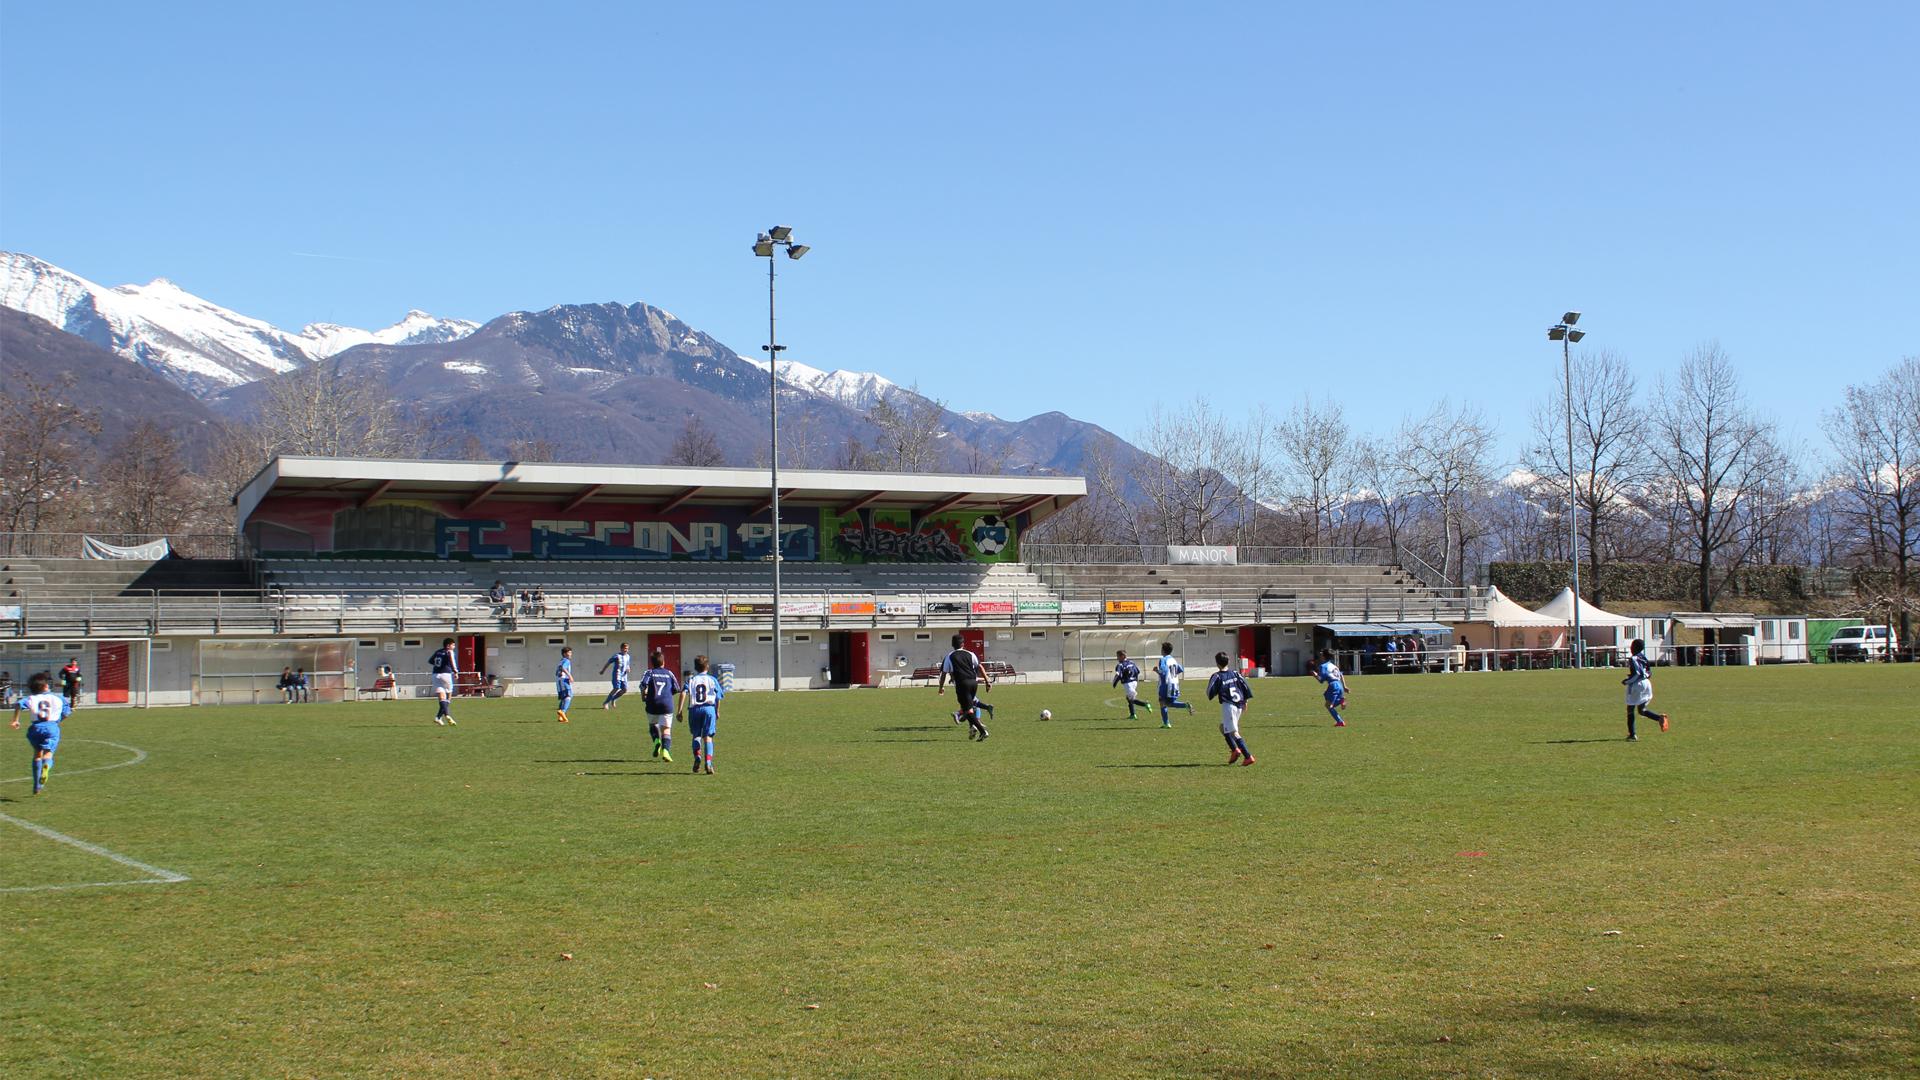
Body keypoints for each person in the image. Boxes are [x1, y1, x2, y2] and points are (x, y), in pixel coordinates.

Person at [11, 672, 69, 794]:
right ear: (46, 686)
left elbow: (18, 705)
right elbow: (67, 712)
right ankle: (46, 766)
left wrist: (15, 720)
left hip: (36, 728)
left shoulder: (31, 698)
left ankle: (37, 786)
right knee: (48, 753)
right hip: (52, 727)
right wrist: (58, 721)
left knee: (37, 754)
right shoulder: (58, 697)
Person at [937, 633, 992, 741]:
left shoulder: (949, 656)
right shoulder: (971, 654)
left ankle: (982, 731)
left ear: (952, 644)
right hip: (974, 683)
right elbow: (980, 666)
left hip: (962, 684)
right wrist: (987, 681)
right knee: (968, 708)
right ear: (963, 644)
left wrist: (941, 687)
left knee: (968, 710)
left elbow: (944, 674)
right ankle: (971, 726)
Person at [1206, 651, 1256, 766]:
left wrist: (1215, 690)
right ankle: (1235, 750)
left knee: (1233, 732)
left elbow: (1209, 693)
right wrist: (1246, 701)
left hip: (1229, 706)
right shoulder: (1235, 673)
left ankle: (1248, 756)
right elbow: (1245, 686)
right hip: (1239, 705)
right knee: (1223, 727)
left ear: (1217, 664)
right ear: (1228, 661)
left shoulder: (1217, 676)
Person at [1622, 638, 1671, 741]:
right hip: (1646, 683)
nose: (1631, 648)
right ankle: (1659, 718)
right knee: (1641, 710)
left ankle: (1632, 735)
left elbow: (1637, 673)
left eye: (1632, 646)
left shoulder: (1634, 658)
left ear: (1634, 648)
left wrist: (1627, 681)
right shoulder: (1643, 658)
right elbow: (1649, 672)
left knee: (1630, 709)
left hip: (1636, 684)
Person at [637, 649, 680, 762]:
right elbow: (677, 688)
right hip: (666, 704)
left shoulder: (649, 672)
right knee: (666, 730)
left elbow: (642, 685)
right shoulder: (669, 673)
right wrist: (668, 695)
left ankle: (657, 741)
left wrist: (643, 696)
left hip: (652, 703)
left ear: (652, 663)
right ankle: (665, 751)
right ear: (663, 662)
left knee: (653, 724)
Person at [684, 654, 723, 775]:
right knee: (708, 737)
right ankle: (708, 762)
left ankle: (697, 757)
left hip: (694, 709)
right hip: (709, 708)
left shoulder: (691, 680)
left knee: (696, 735)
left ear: (696, 667)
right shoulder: (712, 679)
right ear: (707, 666)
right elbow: (718, 697)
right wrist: (717, 710)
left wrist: (680, 711)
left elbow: (683, 692)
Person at [1155, 642, 1193, 728]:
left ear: (1163, 650)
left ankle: (1166, 723)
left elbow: (1163, 672)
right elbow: (1180, 669)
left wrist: (1157, 671)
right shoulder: (1173, 660)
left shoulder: (1163, 659)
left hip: (1166, 684)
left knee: (1163, 702)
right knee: (1168, 703)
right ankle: (1185, 706)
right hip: (1175, 683)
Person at [428, 637, 459, 726]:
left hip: (435, 675)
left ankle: (438, 718)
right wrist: (455, 672)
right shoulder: (449, 652)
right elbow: (453, 662)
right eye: (453, 645)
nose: (454, 646)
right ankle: (447, 715)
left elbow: (430, 661)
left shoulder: (438, 652)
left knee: (442, 697)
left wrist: (438, 665)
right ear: (448, 645)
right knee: (448, 696)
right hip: (446, 674)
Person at [1314, 649, 1348, 727]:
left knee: (1329, 706)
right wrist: (1344, 686)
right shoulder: (1334, 665)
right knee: (1326, 698)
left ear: (1323, 656)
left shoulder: (1323, 666)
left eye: (1321, 653)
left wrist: (1315, 675)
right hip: (1339, 685)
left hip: (1333, 686)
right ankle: (1341, 701)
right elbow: (1341, 675)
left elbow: (1321, 680)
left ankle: (1340, 721)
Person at [1112, 650, 1144, 719]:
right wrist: (1135, 679)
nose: (1117, 658)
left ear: (1122, 656)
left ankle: (1145, 704)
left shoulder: (1120, 665)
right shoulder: (1132, 662)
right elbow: (1138, 671)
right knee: (1129, 698)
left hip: (1127, 683)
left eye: (1118, 656)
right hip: (1134, 682)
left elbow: (1118, 675)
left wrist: (1114, 683)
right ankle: (1133, 715)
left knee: (1131, 699)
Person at [600, 643, 633, 709]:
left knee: (625, 690)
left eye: (627, 648)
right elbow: (608, 662)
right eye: (625, 648)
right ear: (621, 649)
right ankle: (606, 703)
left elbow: (627, 665)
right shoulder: (617, 656)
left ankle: (613, 699)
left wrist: (628, 668)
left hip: (624, 676)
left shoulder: (628, 656)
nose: (626, 650)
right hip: (617, 675)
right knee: (616, 688)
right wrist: (603, 670)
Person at [554, 646, 574, 723]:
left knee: (563, 698)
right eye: (569, 653)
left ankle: (560, 717)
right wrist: (570, 676)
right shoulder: (566, 661)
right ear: (565, 654)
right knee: (569, 696)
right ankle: (563, 711)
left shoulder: (561, 661)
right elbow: (563, 668)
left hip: (558, 681)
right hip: (564, 680)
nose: (571, 654)